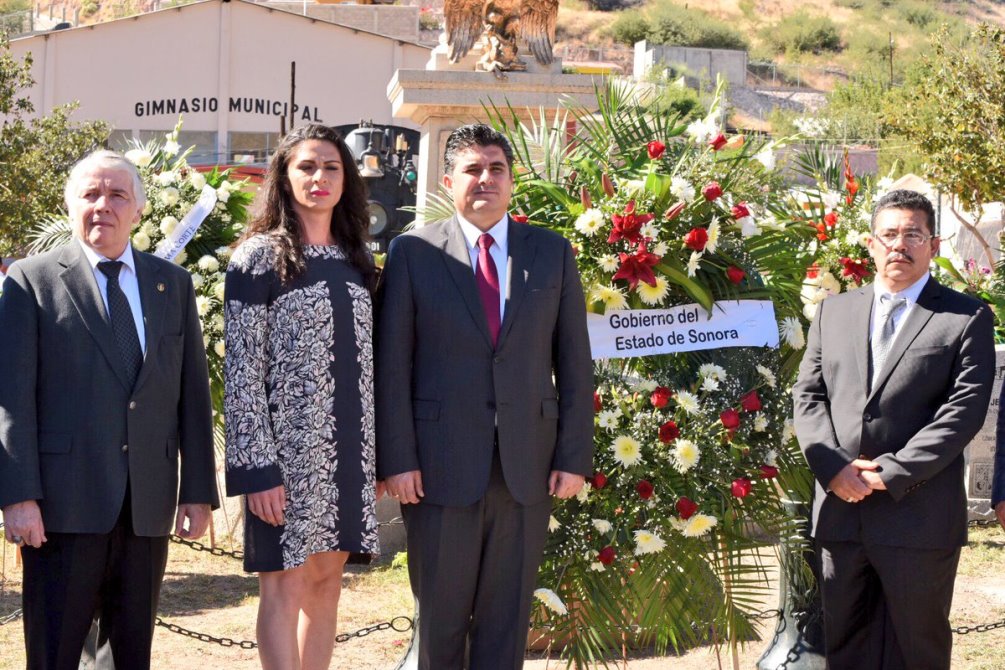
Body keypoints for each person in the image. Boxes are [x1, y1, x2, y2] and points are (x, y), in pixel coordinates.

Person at [375, 123, 595, 669]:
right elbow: (392, 367)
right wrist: (397, 460)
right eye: (472, 169)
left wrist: (573, 457)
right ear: (448, 181)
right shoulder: (412, 252)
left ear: (512, 181)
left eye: (496, 168)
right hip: (438, 470)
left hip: (527, 469)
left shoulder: (551, 253)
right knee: (440, 624)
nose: (485, 179)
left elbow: (574, 363)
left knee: (506, 623)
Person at [0, 150, 218, 670]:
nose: (103, 205)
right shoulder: (30, 280)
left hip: (146, 507)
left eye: (118, 194)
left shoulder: (172, 284)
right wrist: (18, 497)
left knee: (128, 657)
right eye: (91, 194)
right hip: (62, 508)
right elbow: (11, 399)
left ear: (138, 210)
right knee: (54, 655)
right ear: (71, 205)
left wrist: (197, 492)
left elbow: (191, 394)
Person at [793, 188, 995, 669]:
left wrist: (893, 471)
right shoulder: (834, 312)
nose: (899, 244)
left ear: (934, 245)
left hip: (918, 517)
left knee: (917, 650)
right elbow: (809, 396)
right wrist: (833, 468)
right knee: (846, 648)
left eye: (913, 234)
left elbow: (963, 410)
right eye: (889, 234)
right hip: (841, 515)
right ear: (870, 243)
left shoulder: (966, 318)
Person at [223, 123, 380, 670]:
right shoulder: (257, 258)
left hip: (349, 451)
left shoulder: (358, 259)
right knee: (283, 586)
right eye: (306, 166)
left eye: (331, 167)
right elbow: (242, 370)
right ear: (284, 177)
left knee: (327, 583)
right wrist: (256, 470)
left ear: (346, 179)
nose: (319, 177)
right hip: (284, 457)